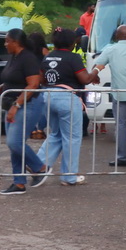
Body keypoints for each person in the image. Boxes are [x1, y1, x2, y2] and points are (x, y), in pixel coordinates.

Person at [37, 27, 99, 185]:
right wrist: (96, 70)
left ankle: (38, 165)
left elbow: (42, 79)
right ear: (71, 43)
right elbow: (85, 79)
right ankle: (69, 176)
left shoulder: (48, 57)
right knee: (72, 138)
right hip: (67, 99)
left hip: (48, 96)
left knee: (56, 134)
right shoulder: (73, 57)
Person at [0, 29, 49, 195]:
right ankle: (19, 182)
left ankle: (40, 168)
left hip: (27, 104)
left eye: (7, 41)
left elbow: (33, 84)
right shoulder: (14, 57)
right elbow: (14, 79)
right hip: (13, 102)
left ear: (16, 42)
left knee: (14, 142)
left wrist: (16, 106)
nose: (5, 44)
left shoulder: (28, 58)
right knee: (14, 144)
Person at [91, 25, 126, 168]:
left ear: (117, 36)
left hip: (119, 94)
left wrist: (94, 75)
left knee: (121, 125)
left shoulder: (111, 50)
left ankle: (122, 158)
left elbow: (98, 65)